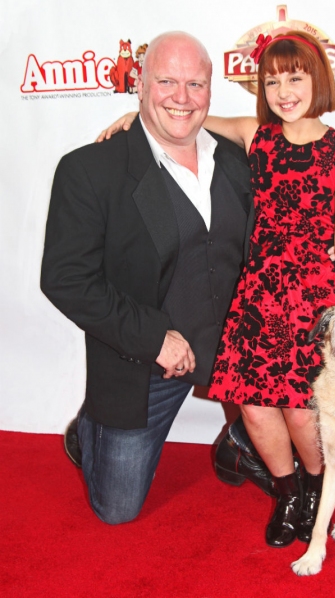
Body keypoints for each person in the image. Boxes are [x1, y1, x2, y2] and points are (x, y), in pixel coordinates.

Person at [98, 31, 335, 546]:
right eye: (272, 81)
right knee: (254, 405)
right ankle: (287, 491)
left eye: (295, 77)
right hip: (259, 296)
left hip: (315, 300)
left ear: (319, 81)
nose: (284, 91)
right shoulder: (254, 134)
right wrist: (138, 118)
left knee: (303, 406)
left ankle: (315, 489)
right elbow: (187, 122)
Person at [41, 31, 265, 525]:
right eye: (166, 82)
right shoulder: (89, 170)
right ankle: (91, 427)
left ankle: (240, 442)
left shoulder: (240, 159)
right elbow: (65, 278)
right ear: (140, 86)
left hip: (231, 349)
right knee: (117, 510)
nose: (182, 98)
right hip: (148, 360)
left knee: (318, 409)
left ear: (211, 89)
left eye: (196, 84)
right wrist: (152, 338)